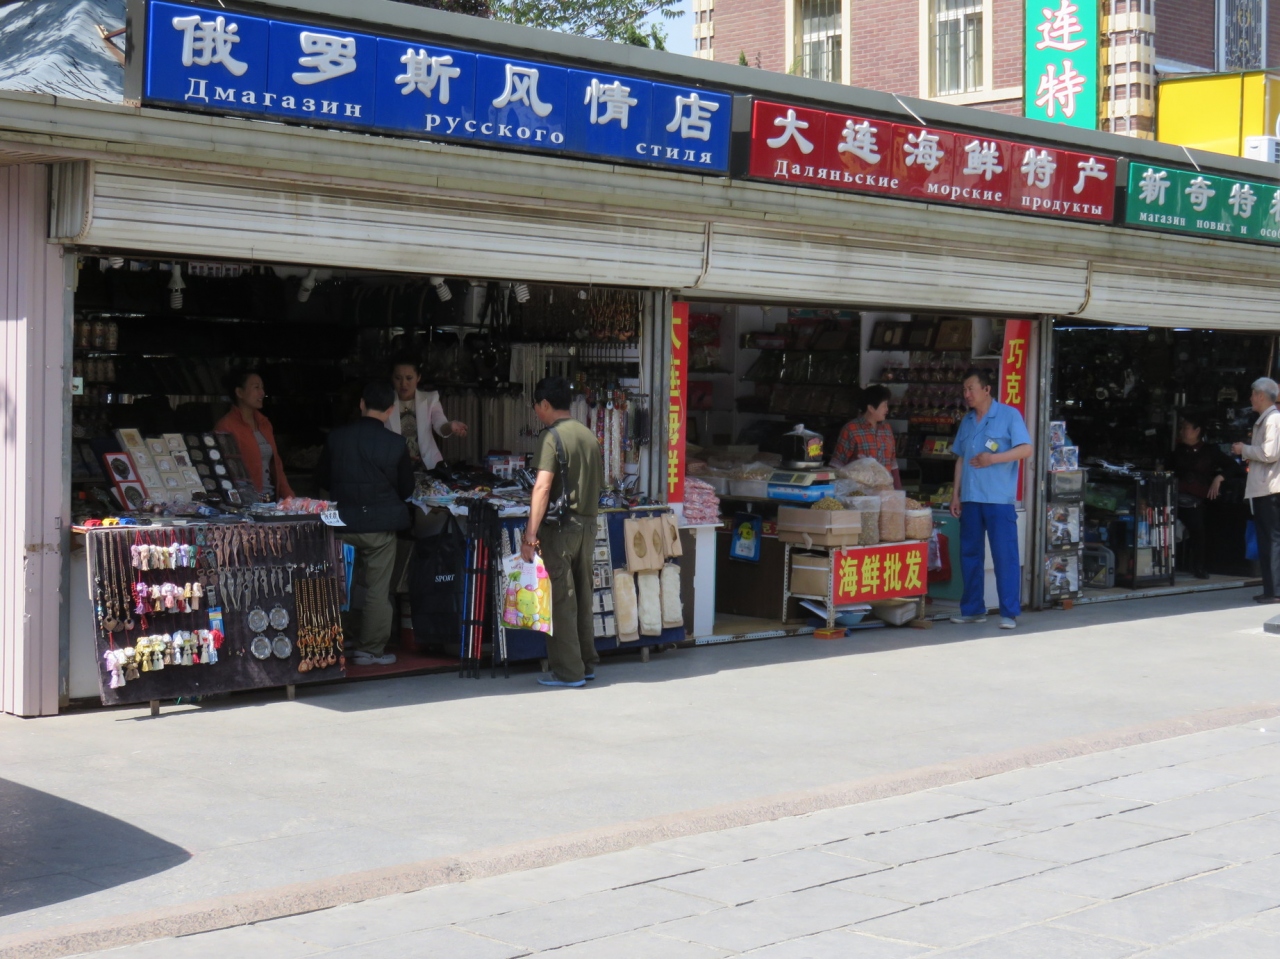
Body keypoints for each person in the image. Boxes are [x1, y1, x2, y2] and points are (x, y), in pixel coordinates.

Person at [316, 381, 415, 666]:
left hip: (342, 525)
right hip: (379, 529)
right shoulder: (396, 444)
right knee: (376, 590)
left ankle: (338, 640)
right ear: (391, 410)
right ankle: (370, 650)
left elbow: (322, 479)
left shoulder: (336, 438)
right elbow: (406, 489)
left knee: (338, 585)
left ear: (361, 404)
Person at [520, 376, 604, 688]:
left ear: (544, 404)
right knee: (582, 596)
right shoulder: (588, 435)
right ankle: (586, 663)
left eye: (536, 406)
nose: (536, 411)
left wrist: (530, 535)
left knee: (561, 599)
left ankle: (569, 672)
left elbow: (542, 487)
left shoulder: (551, 437)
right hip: (588, 524)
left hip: (561, 529)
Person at [949, 367, 1033, 630]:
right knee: (970, 555)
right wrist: (955, 494)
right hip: (971, 498)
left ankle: (1009, 613)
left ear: (986, 390)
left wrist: (993, 459)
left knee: (1004, 555)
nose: (967, 394)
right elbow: (961, 458)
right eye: (964, 390)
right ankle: (973, 609)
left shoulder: (1009, 415)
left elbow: (1026, 449)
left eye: (971, 389)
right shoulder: (967, 421)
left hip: (998, 499)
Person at [1232, 378, 1280, 604]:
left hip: (1270, 489)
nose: (1251, 398)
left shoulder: (1273, 419)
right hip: (1264, 488)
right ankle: (1271, 589)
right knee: (1267, 540)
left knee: (1271, 540)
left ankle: (1275, 591)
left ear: (1261, 395)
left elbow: (1270, 453)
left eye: (1253, 394)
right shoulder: (1268, 419)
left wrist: (1245, 449)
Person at [1171, 413, 1235, 580]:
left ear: (1197, 431)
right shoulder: (1178, 451)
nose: (1182, 431)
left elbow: (1233, 467)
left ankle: (1199, 566)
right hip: (1175, 498)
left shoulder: (1209, 451)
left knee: (1198, 531)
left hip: (1196, 500)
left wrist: (1219, 477)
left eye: (1186, 428)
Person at [215, 370, 294, 502]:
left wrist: (289, 497)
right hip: (246, 503)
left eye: (262, 388)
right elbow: (223, 471)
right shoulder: (226, 426)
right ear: (239, 392)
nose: (262, 393)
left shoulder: (264, 423)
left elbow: (277, 466)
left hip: (271, 499)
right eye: (256, 387)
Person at [387, 357, 468, 470]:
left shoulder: (430, 399)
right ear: (392, 378)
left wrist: (450, 426)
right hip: (394, 466)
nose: (403, 383)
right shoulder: (385, 401)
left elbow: (440, 424)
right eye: (398, 378)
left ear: (418, 377)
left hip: (427, 466)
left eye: (409, 378)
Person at [830, 384, 902, 489]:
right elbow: (837, 464)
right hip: (859, 493)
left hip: (886, 491)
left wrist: (898, 491)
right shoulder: (851, 429)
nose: (887, 409)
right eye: (884, 405)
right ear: (871, 408)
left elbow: (893, 463)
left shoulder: (886, 429)